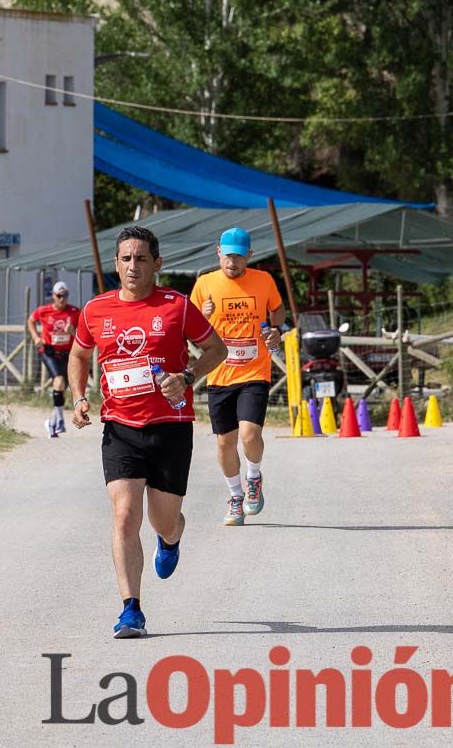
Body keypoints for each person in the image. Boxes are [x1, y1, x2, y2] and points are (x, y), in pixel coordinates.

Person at [68, 225, 227, 638]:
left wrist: (187, 376)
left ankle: (172, 538)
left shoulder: (177, 305)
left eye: (141, 259)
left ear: (157, 264)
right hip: (121, 427)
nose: (132, 266)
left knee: (163, 520)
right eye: (125, 259)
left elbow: (217, 350)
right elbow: (80, 354)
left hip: (170, 427)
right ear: (115, 264)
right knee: (124, 516)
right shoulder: (95, 310)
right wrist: (79, 397)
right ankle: (130, 609)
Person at [189, 227, 284, 526]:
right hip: (219, 373)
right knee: (224, 443)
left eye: (239, 257)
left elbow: (278, 310)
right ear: (218, 252)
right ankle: (235, 497)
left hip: (255, 369)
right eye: (228, 256)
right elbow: (186, 326)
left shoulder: (264, 280)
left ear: (249, 257)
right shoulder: (204, 284)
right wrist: (201, 315)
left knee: (249, 434)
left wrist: (276, 331)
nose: (233, 262)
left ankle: (253, 478)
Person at [28, 280, 81, 438]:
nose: (62, 299)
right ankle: (61, 421)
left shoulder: (74, 312)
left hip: (67, 353)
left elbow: (83, 333)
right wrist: (36, 337)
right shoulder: (44, 311)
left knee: (62, 389)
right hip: (49, 351)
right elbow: (31, 320)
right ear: (53, 296)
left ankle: (52, 422)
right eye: (59, 296)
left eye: (65, 296)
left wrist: (73, 331)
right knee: (58, 381)